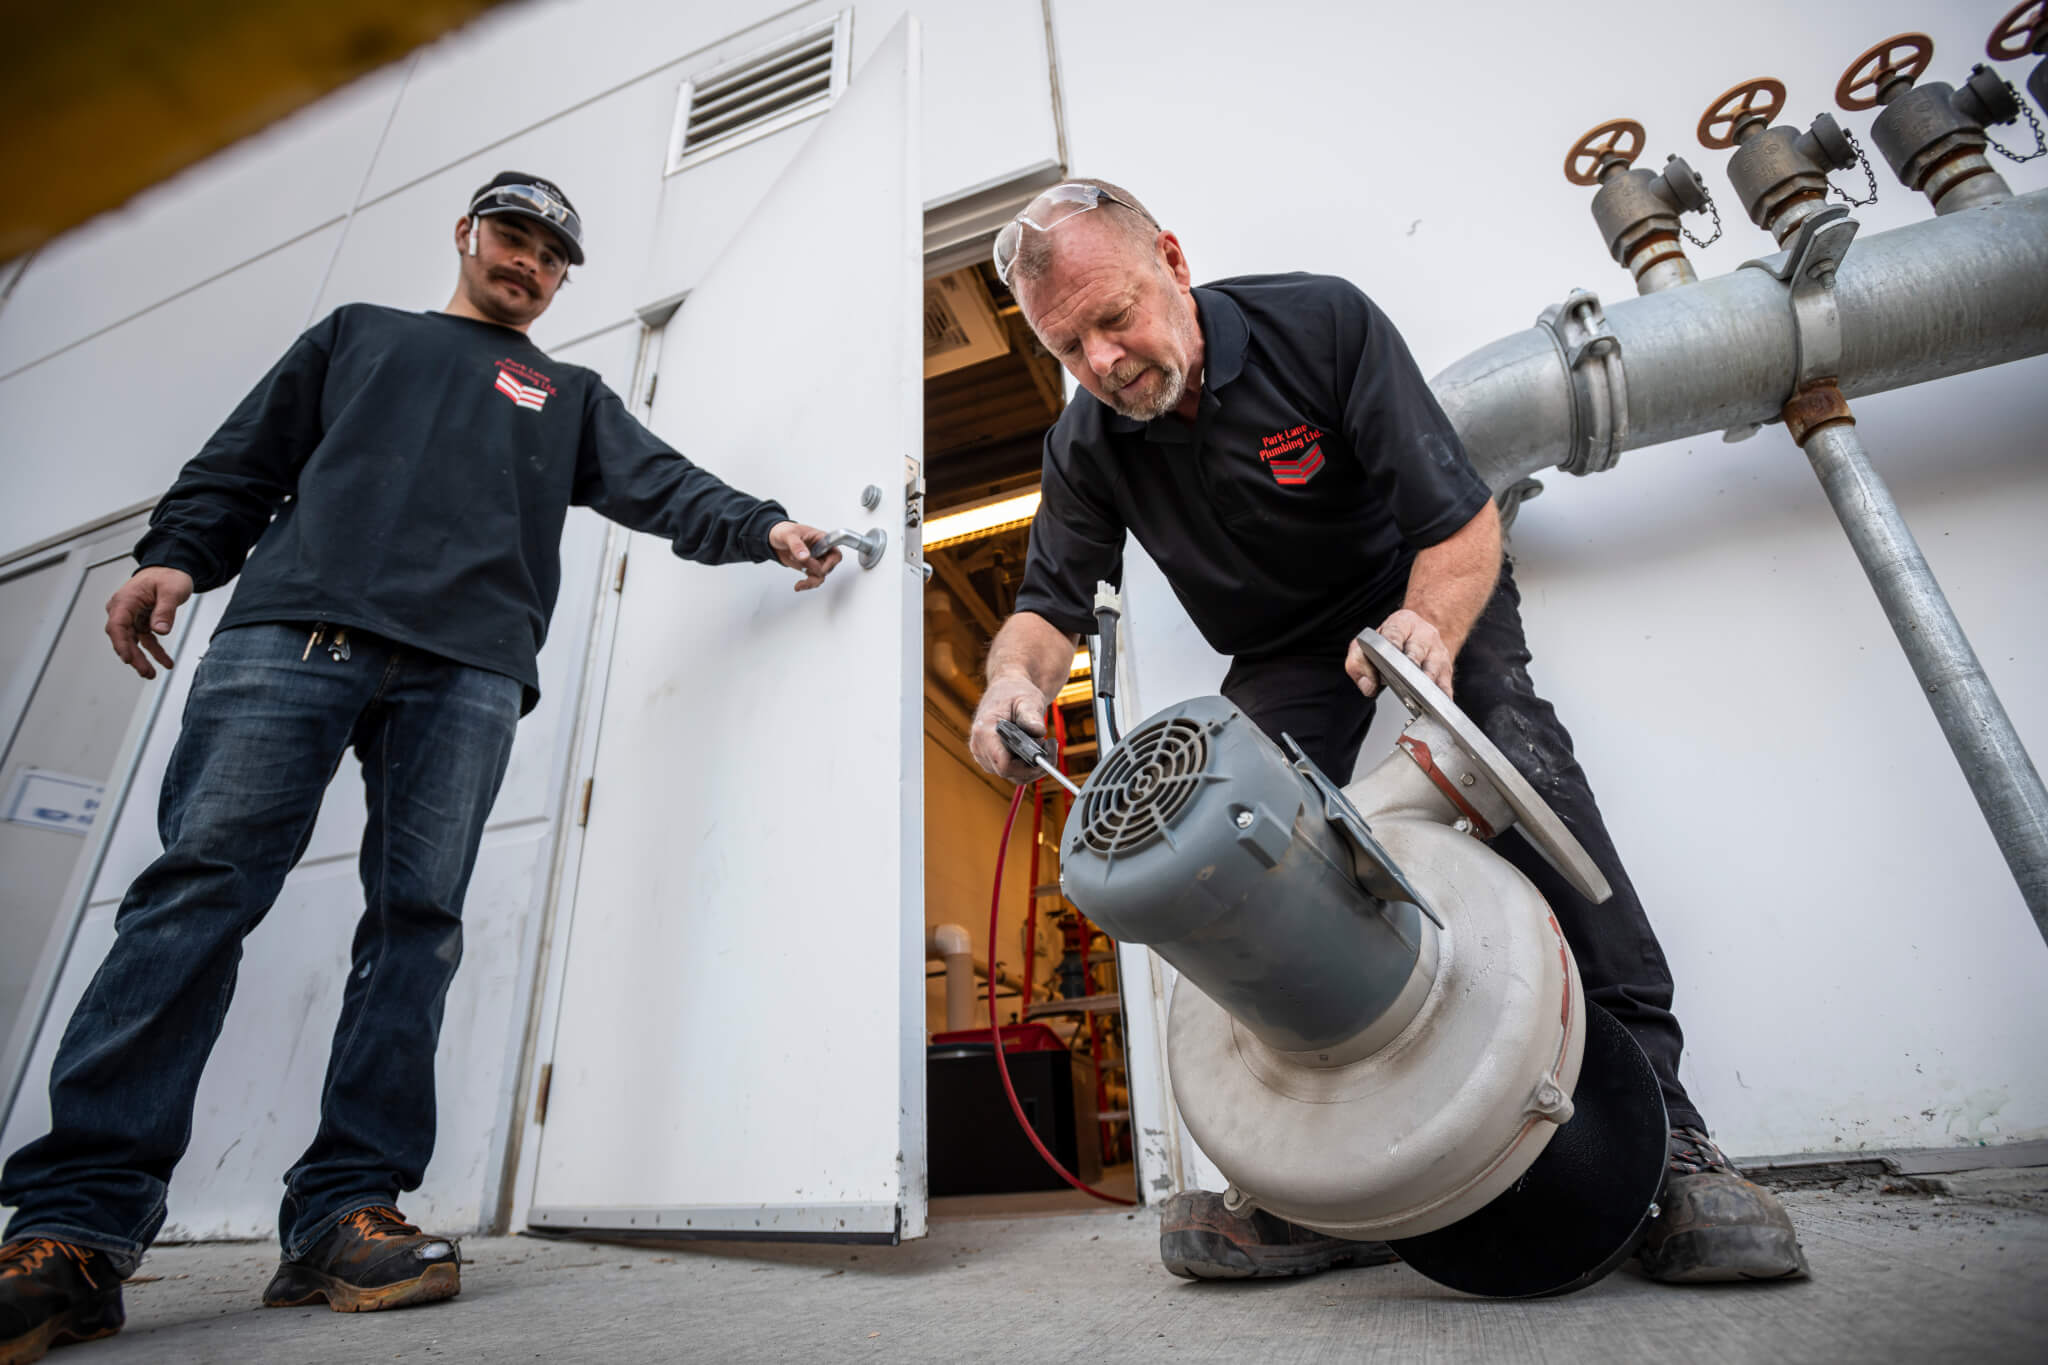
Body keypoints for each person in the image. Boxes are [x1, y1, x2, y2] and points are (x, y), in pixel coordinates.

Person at [0, 172, 843, 1357]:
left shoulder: (567, 393)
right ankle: (76, 1231)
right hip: (289, 637)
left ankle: (344, 1213)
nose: (529, 264)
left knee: (416, 928)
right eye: (512, 238)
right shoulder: (358, 337)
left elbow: (660, 485)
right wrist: (177, 557)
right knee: (194, 898)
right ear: (466, 237)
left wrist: (764, 526)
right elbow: (243, 459)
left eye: (552, 257)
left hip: (467, 674)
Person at [967, 179, 1808, 1286]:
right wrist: (1006, 685)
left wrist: (1427, 625)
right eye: (1068, 344)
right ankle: (1320, 1189)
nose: (1103, 360)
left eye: (1113, 316)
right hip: (1278, 650)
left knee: (1516, 758)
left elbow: (1461, 522)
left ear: (1171, 257)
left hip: (1415, 584)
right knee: (1234, 852)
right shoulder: (1088, 445)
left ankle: (1673, 1142)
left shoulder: (1317, 324)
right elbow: (1044, 610)